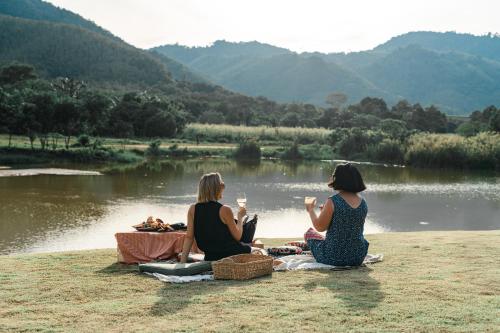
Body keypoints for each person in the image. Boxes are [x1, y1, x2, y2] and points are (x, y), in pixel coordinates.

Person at [180, 172, 259, 262]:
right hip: (234, 255)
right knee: (261, 251)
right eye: (222, 184)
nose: (223, 187)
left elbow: (189, 238)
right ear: (216, 188)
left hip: (211, 257)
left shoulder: (193, 209)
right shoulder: (224, 209)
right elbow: (238, 236)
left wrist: (182, 263)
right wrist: (240, 217)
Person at [304, 163, 369, 266]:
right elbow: (348, 224)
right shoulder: (363, 202)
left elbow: (320, 227)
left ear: (338, 179)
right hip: (357, 257)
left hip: (333, 257)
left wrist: (310, 210)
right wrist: (325, 212)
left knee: (309, 234)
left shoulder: (333, 201)